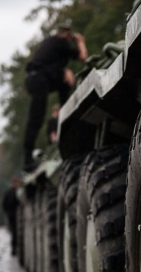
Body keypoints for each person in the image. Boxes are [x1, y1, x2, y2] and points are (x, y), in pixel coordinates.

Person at [23, 26, 87, 171]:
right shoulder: (61, 43)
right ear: (67, 36)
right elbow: (83, 57)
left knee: (64, 83)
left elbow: (50, 66)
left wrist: (63, 71)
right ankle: (27, 161)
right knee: (36, 119)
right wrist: (80, 41)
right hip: (39, 80)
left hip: (38, 78)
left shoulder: (51, 43)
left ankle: (64, 114)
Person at [2, 176, 21, 256]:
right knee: (14, 232)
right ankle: (14, 248)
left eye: (16, 182)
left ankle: (17, 248)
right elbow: (4, 204)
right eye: (14, 182)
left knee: (16, 232)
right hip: (12, 215)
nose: (15, 184)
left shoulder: (19, 192)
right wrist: (7, 212)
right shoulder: (9, 192)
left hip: (18, 215)